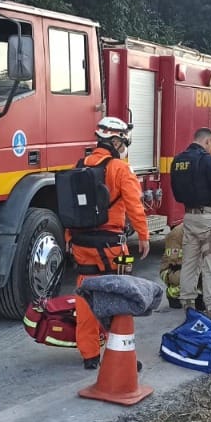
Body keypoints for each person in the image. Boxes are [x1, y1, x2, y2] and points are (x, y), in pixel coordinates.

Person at [67, 117, 150, 370]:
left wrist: (69, 239)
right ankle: (121, 355)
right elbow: (135, 204)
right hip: (114, 247)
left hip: (82, 245)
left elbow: (69, 207)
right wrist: (144, 236)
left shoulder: (79, 166)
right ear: (115, 140)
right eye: (123, 142)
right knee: (119, 297)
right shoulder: (120, 169)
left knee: (85, 297)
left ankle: (90, 356)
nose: (124, 147)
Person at [170, 127, 211, 331]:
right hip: (210, 220)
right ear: (207, 141)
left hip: (189, 217)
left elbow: (177, 194)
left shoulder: (178, 160)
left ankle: (188, 307)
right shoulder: (208, 160)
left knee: (189, 263)